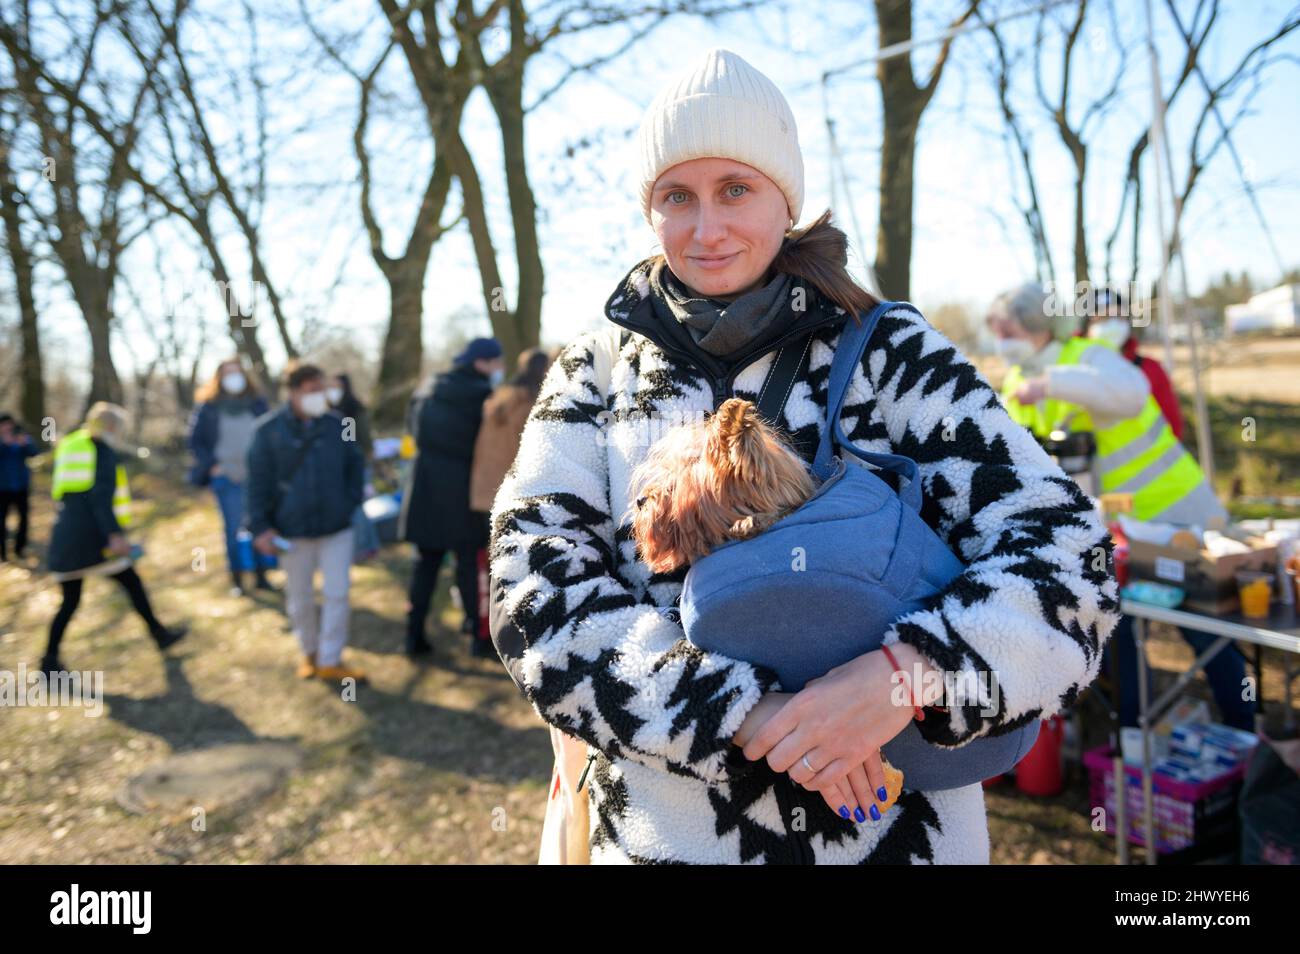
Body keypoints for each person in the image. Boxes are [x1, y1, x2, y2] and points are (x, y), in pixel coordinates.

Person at [488, 49, 1118, 864]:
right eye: (677, 196)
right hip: (661, 839)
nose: (706, 228)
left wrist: (906, 675)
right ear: (650, 211)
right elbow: (528, 584)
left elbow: (1069, 559)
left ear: (785, 198)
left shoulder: (890, 349)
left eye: (736, 190)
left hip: (899, 840)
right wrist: (739, 712)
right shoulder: (596, 368)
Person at [988, 283, 1250, 730]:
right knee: (1118, 629)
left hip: (1178, 516)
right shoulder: (1015, 381)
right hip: (1121, 532)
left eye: (1006, 329)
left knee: (1204, 627)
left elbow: (1130, 393)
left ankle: (1243, 734)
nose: (999, 338)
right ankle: (1132, 735)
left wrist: (1050, 385)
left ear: (1034, 325)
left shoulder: (1089, 357)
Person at [40, 403, 187, 674]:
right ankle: (160, 634)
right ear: (110, 427)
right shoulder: (102, 451)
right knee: (131, 582)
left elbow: (64, 492)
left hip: (66, 533)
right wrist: (114, 535)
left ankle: (48, 660)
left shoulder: (72, 444)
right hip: (93, 537)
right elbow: (100, 498)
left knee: (70, 600)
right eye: (119, 428)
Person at [246, 362, 366, 682]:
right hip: (291, 531)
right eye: (312, 391)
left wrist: (349, 502)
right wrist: (261, 526)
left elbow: (355, 466)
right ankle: (309, 653)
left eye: (322, 390)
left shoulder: (338, 424)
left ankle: (331, 658)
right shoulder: (267, 431)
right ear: (294, 392)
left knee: (337, 593)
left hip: (336, 528)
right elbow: (256, 484)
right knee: (299, 598)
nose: (319, 397)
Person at [398, 337, 503, 659]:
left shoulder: (427, 388)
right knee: (470, 565)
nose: (499, 369)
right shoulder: (483, 397)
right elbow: (486, 445)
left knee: (425, 566)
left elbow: (411, 431)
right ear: (481, 363)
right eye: (495, 362)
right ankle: (477, 633)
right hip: (462, 491)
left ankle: (413, 636)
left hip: (425, 488)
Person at [187, 358, 272, 595]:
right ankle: (237, 579)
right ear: (219, 378)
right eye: (228, 373)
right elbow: (195, 441)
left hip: (257, 476)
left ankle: (261, 575)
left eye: (237, 372)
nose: (233, 378)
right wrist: (212, 466)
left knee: (259, 525)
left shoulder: (256, 403)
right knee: (233, 529)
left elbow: (271, 434)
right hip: (226, 477)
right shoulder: (208, 407)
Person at [469, 348, 551, 514]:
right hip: (512, 487)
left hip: (486, 482)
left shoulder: (500, 397)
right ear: (543, 370)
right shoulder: (531, 404)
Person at [327, 373, 379, 560]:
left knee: (356, 507)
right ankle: (368, 544)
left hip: (354, 465)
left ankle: (364, 546)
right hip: (342, 466)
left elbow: (351, 441)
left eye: (336, 387)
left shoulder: (350, 411)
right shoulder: (329, 410)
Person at [0, 412, 39, 562]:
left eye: (9, 424)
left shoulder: (21, 436)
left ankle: (19, 549)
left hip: (21, 487)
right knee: (1, 521)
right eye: (4, 424)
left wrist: (25, 444)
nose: (7, 427)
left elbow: (34, 453)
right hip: (2, 488)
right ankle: (2, 553)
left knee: (24, 519)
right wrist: (4, 444)